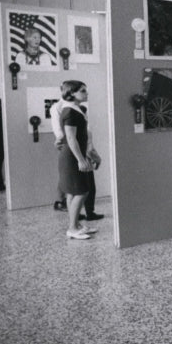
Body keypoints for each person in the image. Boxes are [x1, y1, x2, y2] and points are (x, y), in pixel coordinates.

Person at [57, 80, 96, 240]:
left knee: (73, 192)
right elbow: (71, 138)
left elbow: (82, 137)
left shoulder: (75, 109)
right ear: (71, 93)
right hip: (72, 156)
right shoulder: (70, 112)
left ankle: (77, 225)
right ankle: (72, 228)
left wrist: (91, 154)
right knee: (81, 191)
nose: (86, 93)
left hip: (73, 154)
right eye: (82, 91)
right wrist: (80, 159)